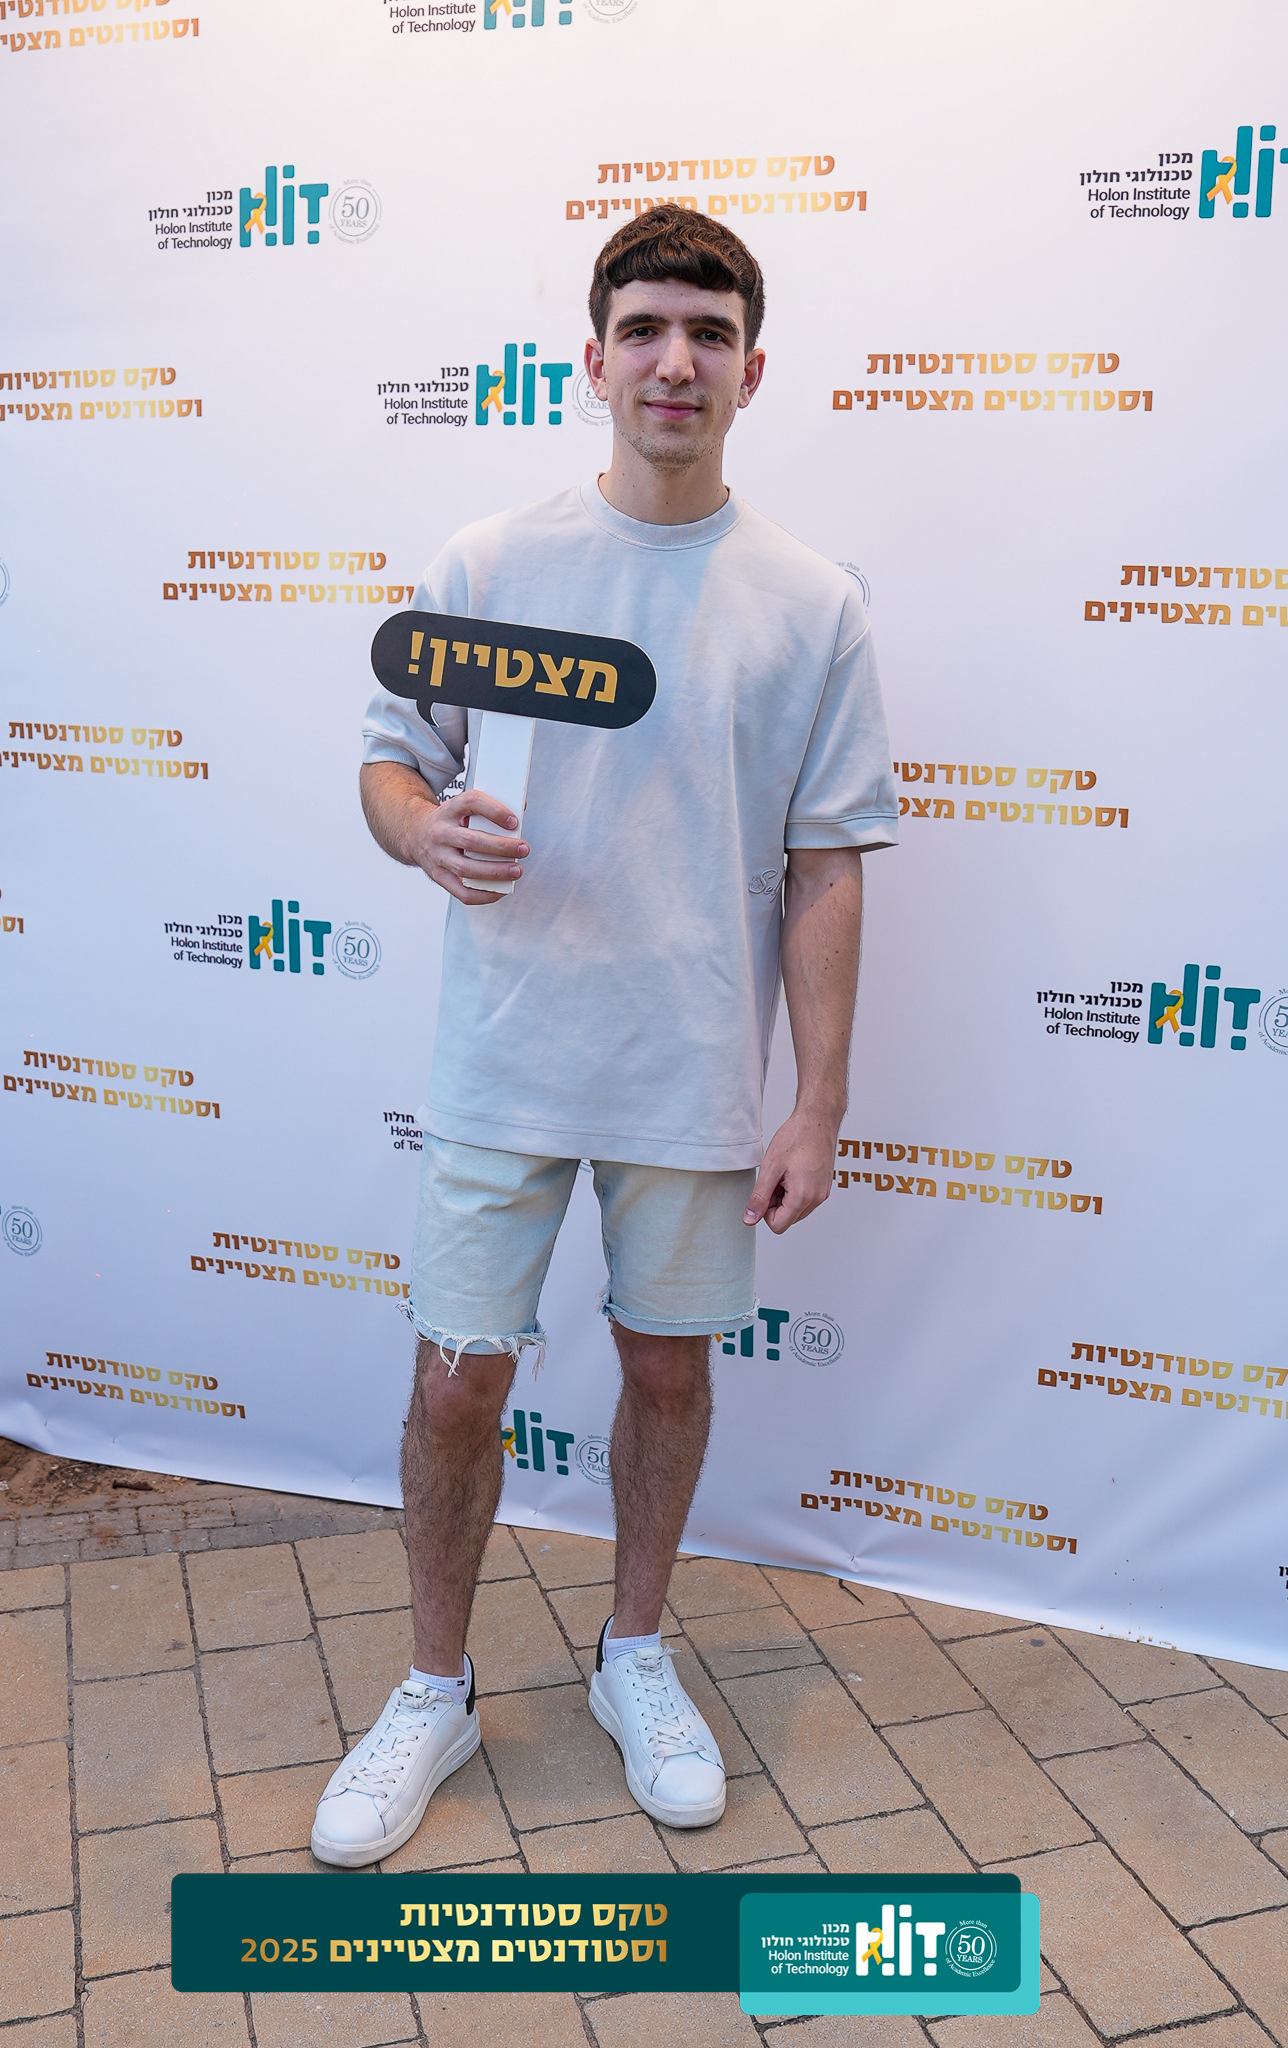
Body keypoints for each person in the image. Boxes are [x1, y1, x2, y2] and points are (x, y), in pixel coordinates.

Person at [311, 205, 898, 1866]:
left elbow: (827, 865)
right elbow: (386, 764)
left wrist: (818, 1102)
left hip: (690, 1077)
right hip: (502, 1063)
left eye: (708, 334)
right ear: (592, 358)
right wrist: (419, 833)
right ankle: (434, 1687)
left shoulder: (810, 602)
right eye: (644, 328)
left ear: (751, 371)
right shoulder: (490, 565)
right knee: (453, 1385)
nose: (674, 362)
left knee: (665, 1372)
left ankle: (634, 1653)